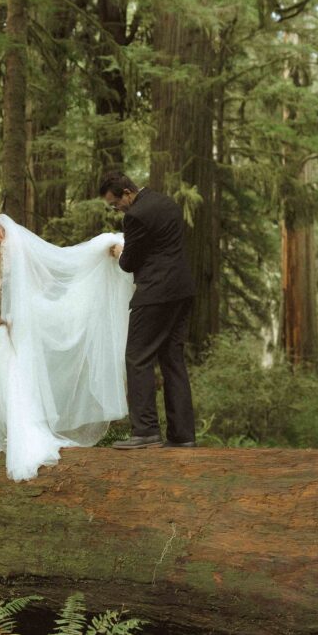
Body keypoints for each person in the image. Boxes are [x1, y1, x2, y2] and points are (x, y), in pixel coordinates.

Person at [0, 214, 134, 481]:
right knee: (22, 370)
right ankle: (27, 427)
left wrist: (6, 317)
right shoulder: (21, 248)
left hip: (15, 319)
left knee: (14, 370)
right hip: (24, 317)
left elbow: (7, 287)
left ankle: (24, 432)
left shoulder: (8, 249)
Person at [100, 174, 197, 449]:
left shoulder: (136, 217)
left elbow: (130, 263)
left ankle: (145, 431)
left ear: (128, 193)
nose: (116, 209)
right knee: (172, 360)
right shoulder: (166, 203)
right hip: (181, 291)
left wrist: (121, 252)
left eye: (115, 203)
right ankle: (182, 434)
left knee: (137, 357)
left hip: (155, 293)